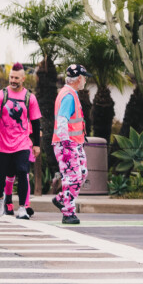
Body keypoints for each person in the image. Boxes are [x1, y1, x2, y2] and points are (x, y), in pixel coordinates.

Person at [0, 63, 42, 218]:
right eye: (11, 77)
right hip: (2, 143)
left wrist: (36, 145)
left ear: (23, 78)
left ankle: (22, 207)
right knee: (1, 175)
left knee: (22, 172)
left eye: (16, 78)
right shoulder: (0, 95)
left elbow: (35, 121)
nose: (13, 80)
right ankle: (1, 198)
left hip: (22, 142)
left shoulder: (30, 98)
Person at [53, 64, 90, 225]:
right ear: (79, 79)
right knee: (72, 177)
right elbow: (62, 120)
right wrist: (66, 143)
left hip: (76, 144)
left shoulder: (71, 94)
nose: (86, 81)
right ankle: (68, 213)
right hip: (67, 145)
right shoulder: (68, 96)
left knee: (81, 173)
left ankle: (61, 199)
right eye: (85, 78)